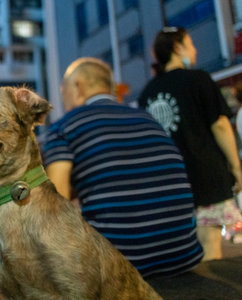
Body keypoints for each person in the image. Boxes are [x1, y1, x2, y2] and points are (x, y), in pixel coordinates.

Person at [43, 57, 204, 278]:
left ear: (77, 86)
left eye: (63, 91)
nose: (63, 99)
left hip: (115, 268)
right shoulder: (149, 120)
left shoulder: (65, 126)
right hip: (182, 256)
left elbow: (54, 202)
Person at [138, 27, 242, 261]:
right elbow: (221, 125)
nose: (194, 50)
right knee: (209, 245)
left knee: (181, 249)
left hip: (168, 183)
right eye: (191, 43)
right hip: (205, 177)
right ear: (177, 48)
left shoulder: (148, 93)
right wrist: (236, 167)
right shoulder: (198, 80)